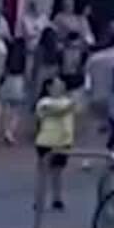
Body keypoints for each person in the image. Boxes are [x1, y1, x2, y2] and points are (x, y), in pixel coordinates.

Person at [33, 75, 77, 211]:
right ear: (49, 87)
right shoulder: (44, 102)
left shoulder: (67, 100)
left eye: (61, 84)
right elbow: (55, 112)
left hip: (64, 142)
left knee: (58, 172)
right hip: (46, 141)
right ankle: (39, 200)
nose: (61, 86)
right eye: (57, 84)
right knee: (43, 172)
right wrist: (71, 105)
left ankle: (57, 199)